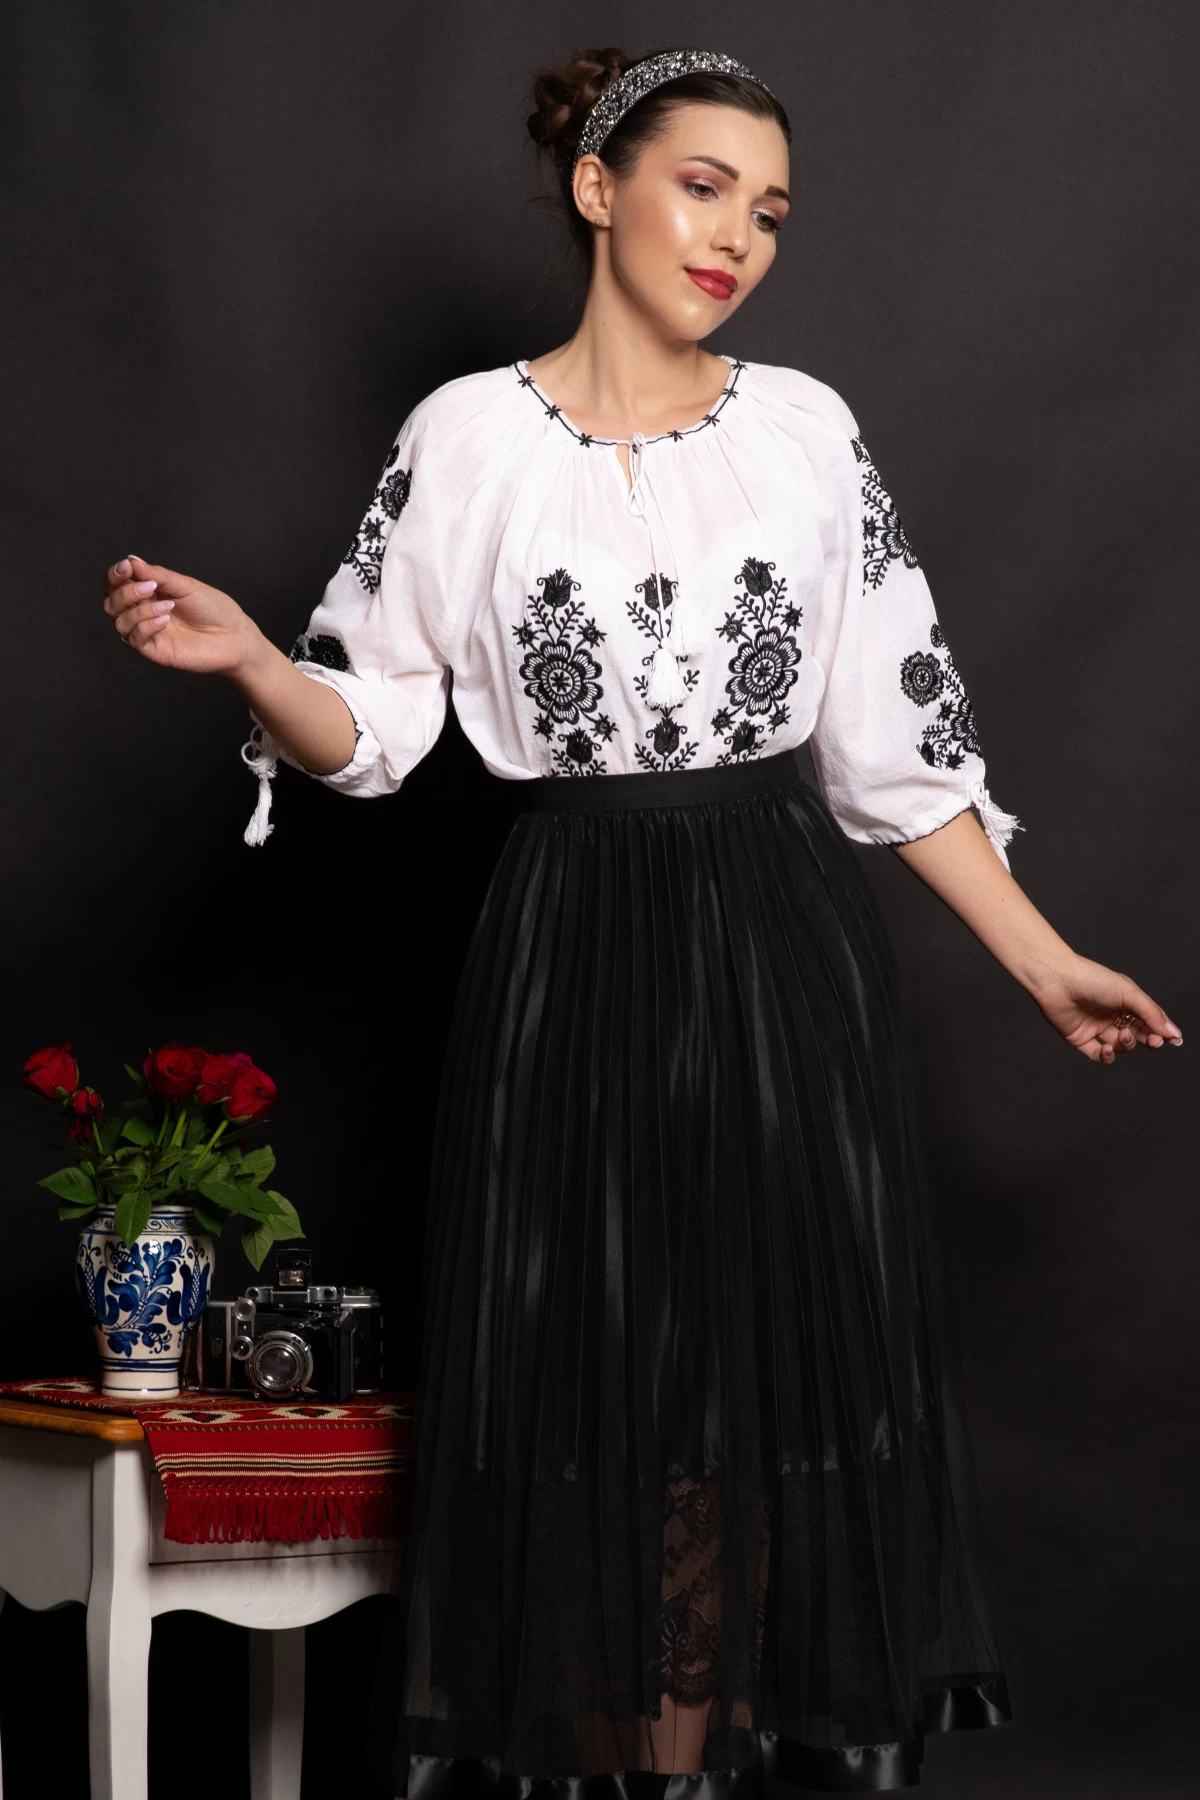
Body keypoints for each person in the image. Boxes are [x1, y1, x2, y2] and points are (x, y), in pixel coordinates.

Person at [100, 43, 1182, 1796]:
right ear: (600, 187)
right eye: (704, 187)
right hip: (572, 955)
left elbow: (894, 750)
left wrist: (1044, 957)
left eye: (772, 211)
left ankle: (716, 1774)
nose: (740, 236)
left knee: (757, 1418)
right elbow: (373, 731)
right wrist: (248, 662)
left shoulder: (806, 430)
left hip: (779, 956)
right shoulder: (464, 438)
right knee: (603, 1407)